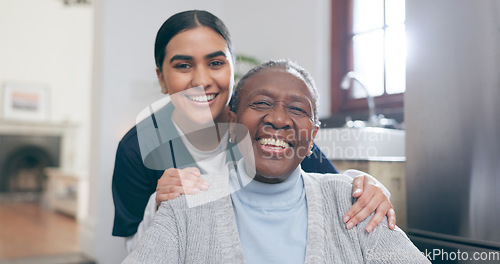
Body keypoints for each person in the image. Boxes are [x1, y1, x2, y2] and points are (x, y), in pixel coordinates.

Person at [112, 10, 396, 252]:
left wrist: (365, 184)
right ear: (161, 78)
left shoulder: (265, 127)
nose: (201, 80)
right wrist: (158, 208)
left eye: (216, 63)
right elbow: (134, 251)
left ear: (232, 68)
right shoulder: (137, 148)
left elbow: (329, 187)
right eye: (183, 65)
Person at [123, 59, 429, 264]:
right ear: (232, 125)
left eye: (297, 109)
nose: (279, 119)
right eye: (261, 104)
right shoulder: (187, 205)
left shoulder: (354, 204)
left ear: (313, 137)